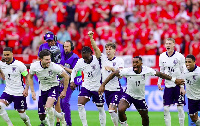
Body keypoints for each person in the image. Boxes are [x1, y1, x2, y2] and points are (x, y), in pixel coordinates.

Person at [98, 56, 185, 126]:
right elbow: (114, 73)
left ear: (141, 63)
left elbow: (160, 74)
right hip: (129, 94)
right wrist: (103, 85)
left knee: (145, 117)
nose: (135, 64)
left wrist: (174, 80)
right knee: (120, 109)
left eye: (137, 62)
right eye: (133, 63)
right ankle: (124, 124)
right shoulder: (128, 71)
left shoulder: (147, 70)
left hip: (140, 97)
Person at [88, 31, 124, 126]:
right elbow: (96, 49)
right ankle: (122, 123)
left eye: (110, 49)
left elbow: (120, 75)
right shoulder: (103, 59)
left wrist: (112, 69)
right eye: (107, 49)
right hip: (107, 91)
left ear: (114, 51)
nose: (108, 51)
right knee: (113, 112)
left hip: (116, 90)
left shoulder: (119, 60)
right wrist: (91, 38)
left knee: (111, 110)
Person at [29, 49, 69, 126]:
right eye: (46, 59)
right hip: (43, 88)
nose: (49, 61)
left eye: (49, 59)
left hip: (53, 86)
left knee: (48, 106)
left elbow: (66, 76)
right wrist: (33, 91)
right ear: (41, 59)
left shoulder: (54, 66)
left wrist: (64, 91)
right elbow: (30, 77)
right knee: (42, 116)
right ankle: (60, 116)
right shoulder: (34, 66)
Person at [70, 46, 106, 126]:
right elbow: (74, 71)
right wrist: (72, 81)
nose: (85, 60)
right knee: (80, 105)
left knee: (100, 108)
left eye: (87, 58)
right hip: (86, 86)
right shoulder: (80, 61)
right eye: (84, 58)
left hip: (97, 88)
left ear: (91, 54)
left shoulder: (97, 59)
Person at [157, 38, 186, 126]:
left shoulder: (180, 56)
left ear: (174, 45)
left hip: (178, 85)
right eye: (166, 44)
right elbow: (161, 71)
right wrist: (159, 82)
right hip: (168, 85)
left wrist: (182, 87)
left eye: (170, 43)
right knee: (166, 108)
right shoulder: (162, 56)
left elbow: (183, 71)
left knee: (180, 108)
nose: (168, 45)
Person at [0, 47, 31, 126]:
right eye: (4, 55)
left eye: (8, 55)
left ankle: (28, 124)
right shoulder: (2, 63)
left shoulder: (19, 65)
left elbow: (27, 77)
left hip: (19, 92)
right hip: (8, 91)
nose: (6, 56)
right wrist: (2, 73)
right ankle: (10, 124)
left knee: (22, 116)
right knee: (0, 106)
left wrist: (26, 89)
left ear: (12, 54)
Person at [38, 31, 64, 126]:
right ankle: (44, 121)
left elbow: (63, 59)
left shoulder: (61, 47)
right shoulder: (43, 46)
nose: (50, 42)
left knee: (56, 100)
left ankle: (57, 121)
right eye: (48, 41)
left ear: (55, 39)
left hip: (56, 74)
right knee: (44, 101)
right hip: (45, 75)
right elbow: (39, 60)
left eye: (51, 40)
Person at [59, 40, 80, 126]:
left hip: (70, 82)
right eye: (64, 47)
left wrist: (64, 68)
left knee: (64, 102)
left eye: (67, 47)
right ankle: (63, 122)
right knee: (60, 103)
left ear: (71, 47)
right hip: (60, 82)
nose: (65, 48)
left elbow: (75, 71)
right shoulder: (61, 55)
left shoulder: (75, 58)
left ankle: (68, 123)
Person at [183, 54, 200, 126]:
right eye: (186, 62)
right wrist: (181, 88)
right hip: (191, 99)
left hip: (199, 97)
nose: (187, 64)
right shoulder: (183, 70)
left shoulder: (199, 72)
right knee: (193, 118)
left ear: (194, 62)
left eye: (189, 62)